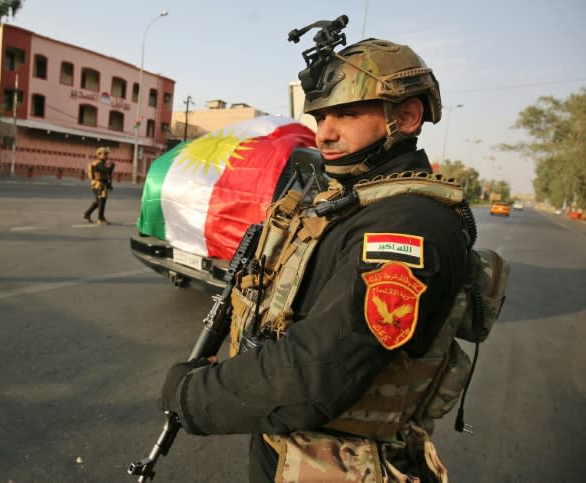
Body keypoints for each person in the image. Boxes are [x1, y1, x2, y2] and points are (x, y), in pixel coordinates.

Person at [159, 30, 475, 482]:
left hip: (343, 465)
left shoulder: (407, 225)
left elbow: (318, 370)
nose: (324, 133)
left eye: (345, 114)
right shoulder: (355, 203)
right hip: (297, 450)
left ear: (405, 116)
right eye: (321, 115)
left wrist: (191, 395)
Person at [83, 146, 115, 225]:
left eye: (107, 154)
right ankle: (100, 219)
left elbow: (106, 175)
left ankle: (86, 214)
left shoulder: (103, 164)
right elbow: (106, 170)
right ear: (99, 154)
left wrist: (109, 184)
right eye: (105, 154)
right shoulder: (98, 164)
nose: (107, 156)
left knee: (98, 202)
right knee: (102, 202)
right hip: (98, 185)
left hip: (101, 184)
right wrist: (112, 166)